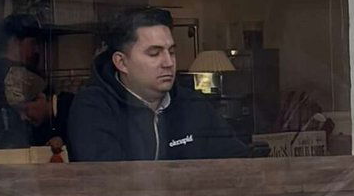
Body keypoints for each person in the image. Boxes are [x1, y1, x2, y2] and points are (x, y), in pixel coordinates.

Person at [65, 9, 248, 162]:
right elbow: (107, 183)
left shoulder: (192, 104)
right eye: (154, 54)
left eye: (172, 52)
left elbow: (237, 161)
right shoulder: (94, 108)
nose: (168, 62)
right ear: (121, 62)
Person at [0, 16, 55, 149]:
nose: (36, 50)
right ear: (14, 42)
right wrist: (50, 108)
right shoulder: (13, 76)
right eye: (32, 43)